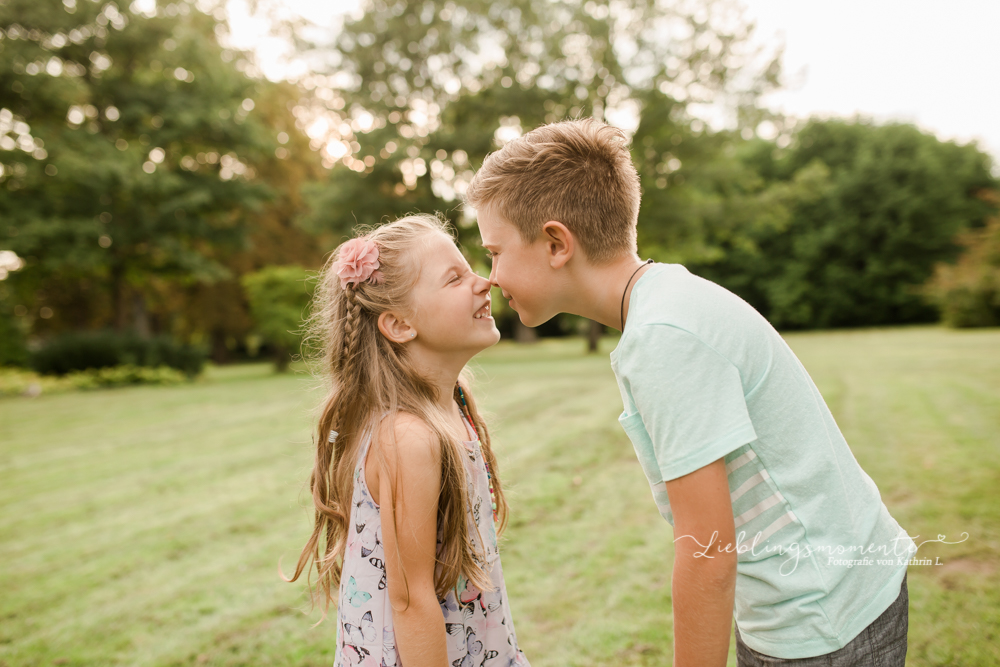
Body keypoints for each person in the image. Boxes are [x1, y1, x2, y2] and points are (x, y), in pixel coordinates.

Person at [465, 118, 915, 666]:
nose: (489, 276)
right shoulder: (667, 302)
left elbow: (707, 553)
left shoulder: (663, 340)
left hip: (819, 618)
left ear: (557, 242)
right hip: (836, 592)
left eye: (494, 252)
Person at [288, 214, 530, 667]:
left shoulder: (452, 405)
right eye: (455, 278)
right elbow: (409, 600)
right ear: (399, 325)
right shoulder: (407, 438)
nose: (486, 282)